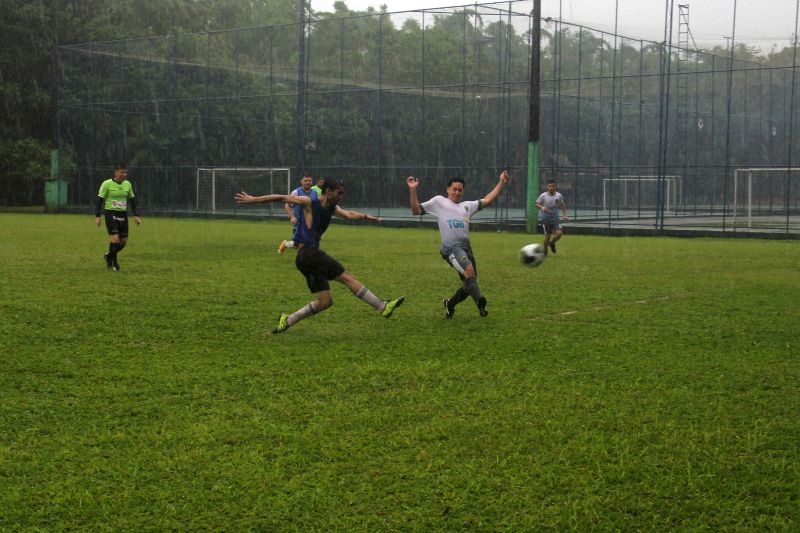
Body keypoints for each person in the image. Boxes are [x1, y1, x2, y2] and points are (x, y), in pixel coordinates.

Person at [235, 178, 404, 334]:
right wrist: (253, 199)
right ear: (328, 191)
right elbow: (281, 197)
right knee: (347, 277)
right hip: (309, 254)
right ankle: (382, 306)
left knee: (325, 302)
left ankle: (288, 320)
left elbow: (348, 214)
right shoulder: (309, 202)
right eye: (339, 193)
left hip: (305, 258)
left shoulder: (331, 208)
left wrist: (366, 217)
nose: (341, 197)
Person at [407, 170, 509, 319]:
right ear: (448, 189)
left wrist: (501, 182)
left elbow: (488, 200)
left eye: (460, 190)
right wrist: (413, 190)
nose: (457, 192)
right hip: (451, 248)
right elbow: (415, 210)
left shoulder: (466, 206)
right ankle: (480, 302)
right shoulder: (439, 202)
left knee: (469, 284)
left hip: (466, 248)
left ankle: (450, 304)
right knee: (469, 271)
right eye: (454, 189)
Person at [95, 163, 141, 271]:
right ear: (115, 172)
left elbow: (132, 200)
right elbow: (99, 200)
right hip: (111, 213)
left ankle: (109, 256)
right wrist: (98, 216)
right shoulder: (107, 184)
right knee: (115, 238)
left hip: (123, 214)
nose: (124, 174)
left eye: (125, 172)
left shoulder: (127, 184)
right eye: (122, 172)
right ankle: (114, 263)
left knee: (123, 241)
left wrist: (136, 215)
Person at [278, 173, 317, 254]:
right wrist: (292, 217)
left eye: (309, 180)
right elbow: (287, 205)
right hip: (299, 223)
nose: (307, 182)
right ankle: (286, 244)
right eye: (305, 180)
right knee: (297, 245)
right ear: (301, 181)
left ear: (312, 181)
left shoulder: (315, 193)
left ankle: (307, 257)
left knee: (308, 244)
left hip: (310, 223)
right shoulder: (296, 192)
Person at [534, 179, 568, 255]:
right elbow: (536, 204)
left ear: (555, 187)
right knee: (547, 236)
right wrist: (542, 207)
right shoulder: (543, 195)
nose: (551, 188)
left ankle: (552, 243)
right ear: (547, 187)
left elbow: (562, 205)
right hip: (546, 218)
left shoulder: (559, 195)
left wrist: (565, 215)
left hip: (555, 218)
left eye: (553, 186)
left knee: (559, 233)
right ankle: (545, 251)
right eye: (549, 186)